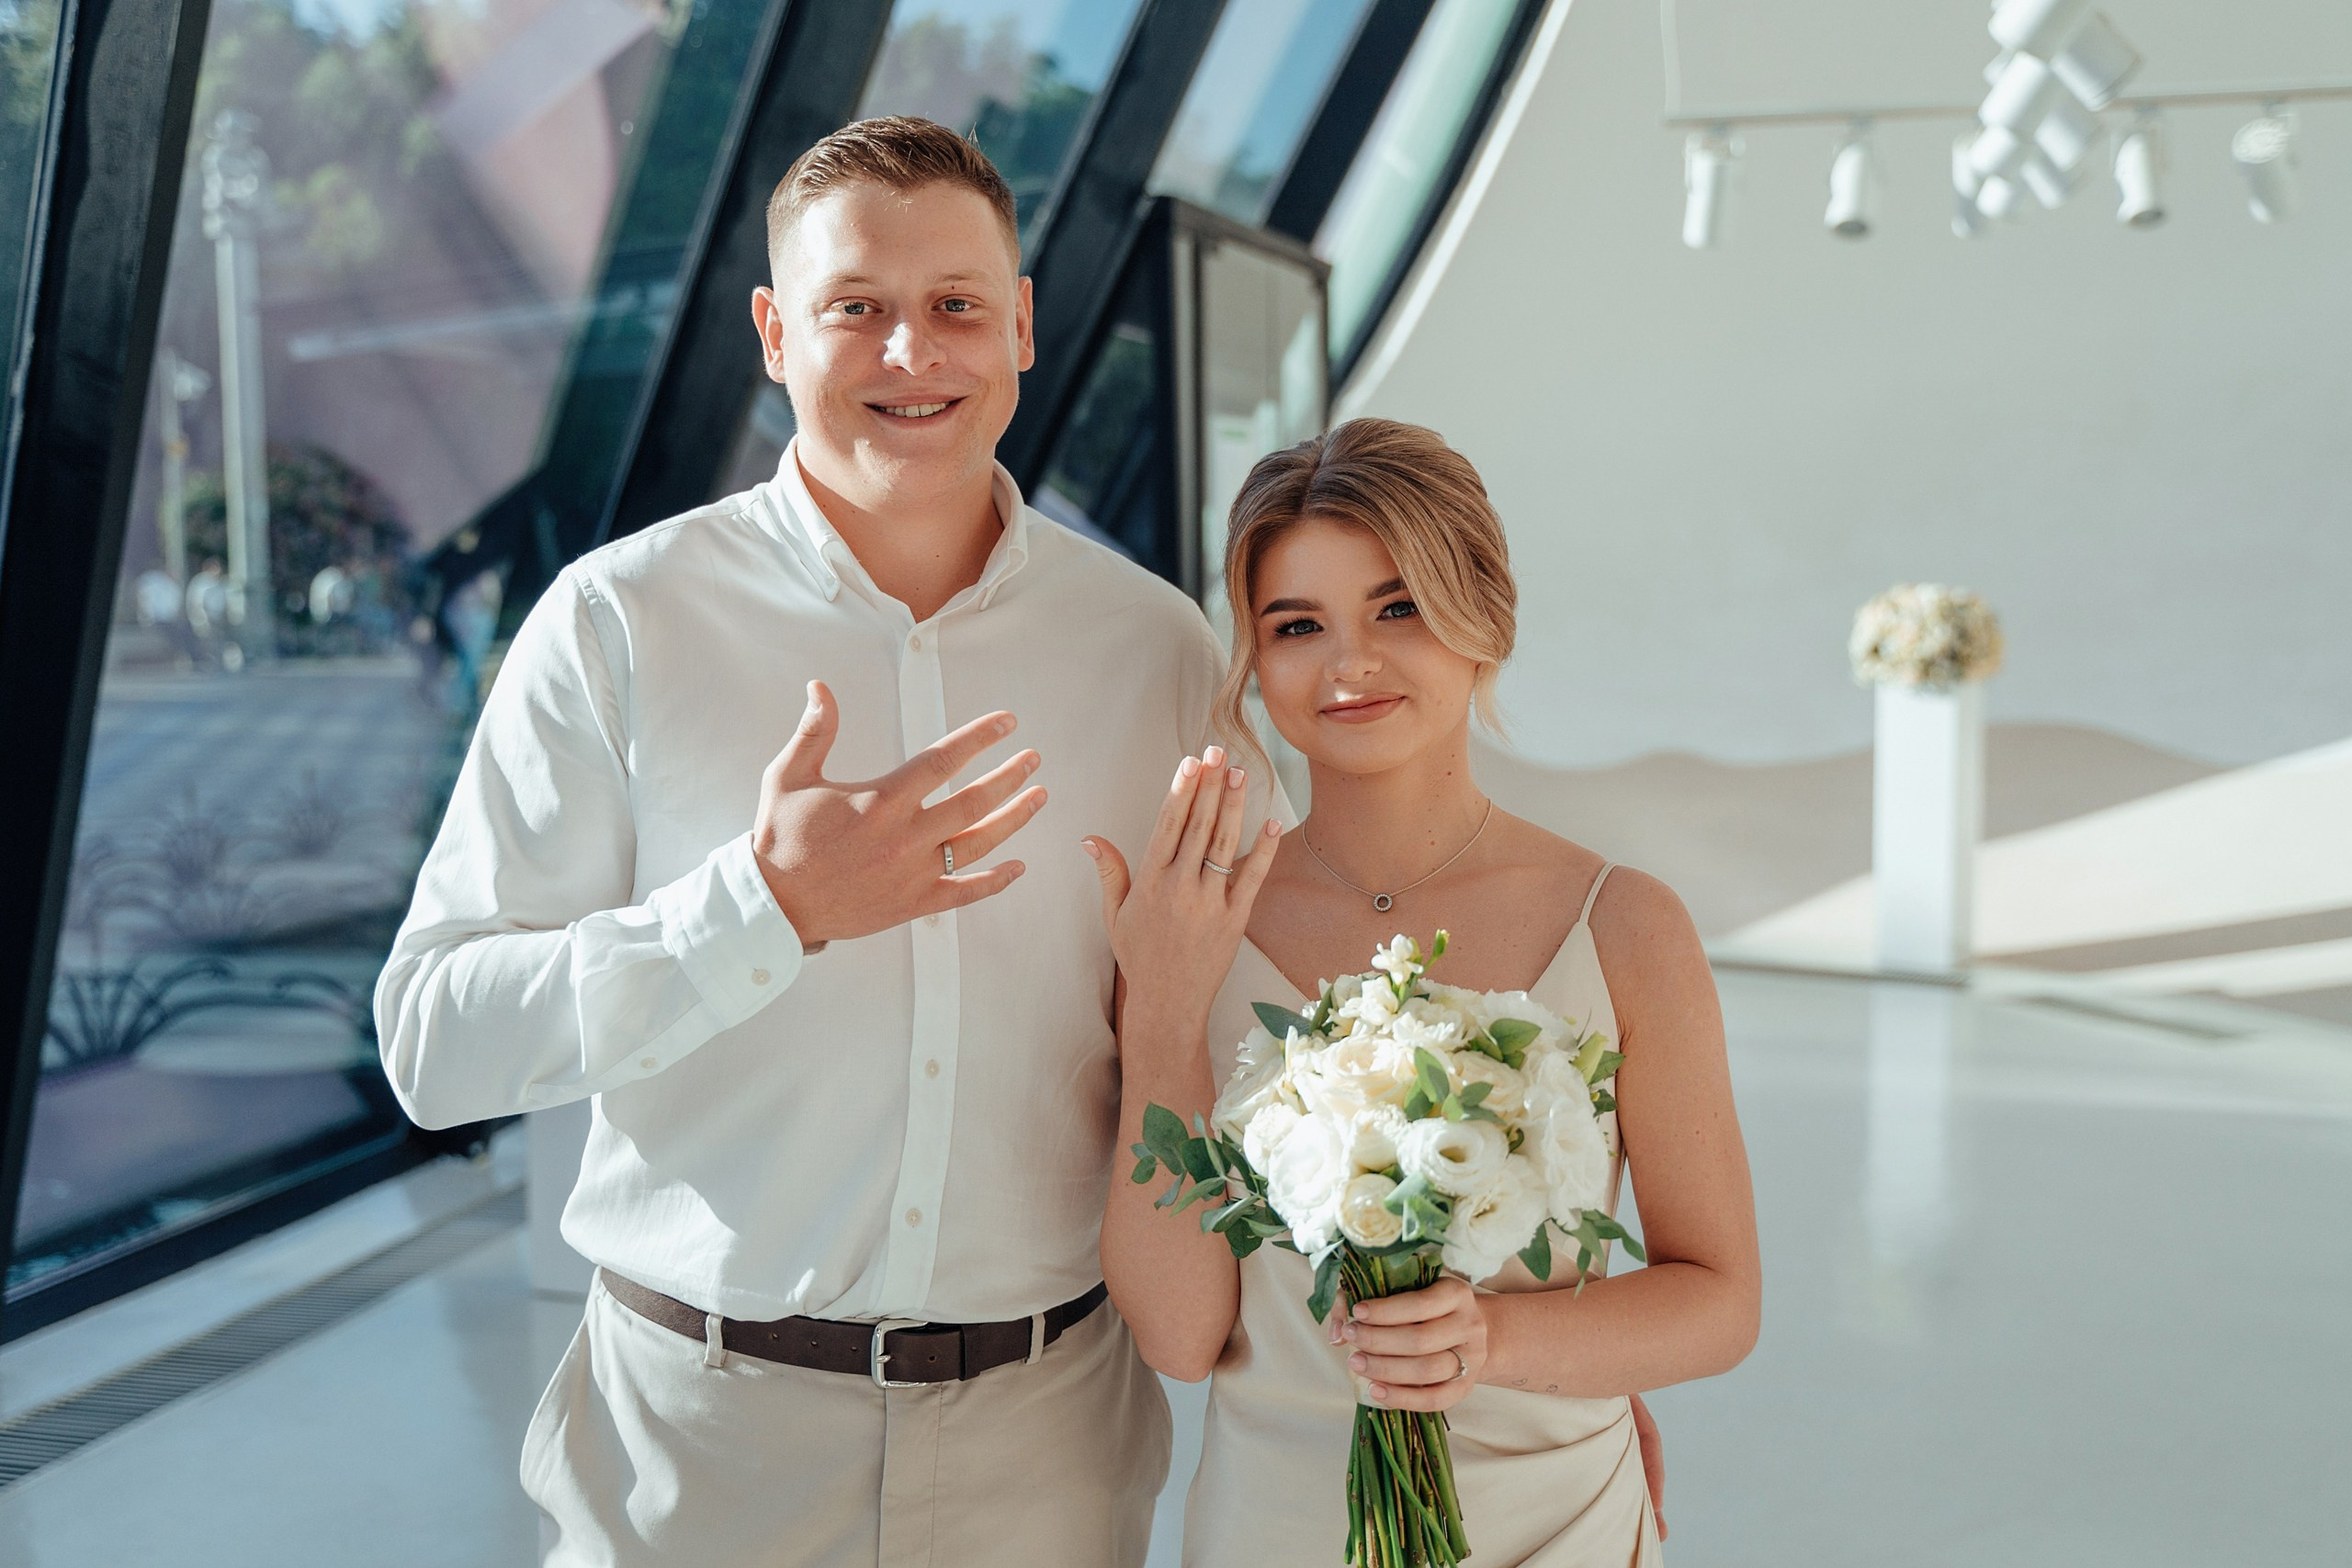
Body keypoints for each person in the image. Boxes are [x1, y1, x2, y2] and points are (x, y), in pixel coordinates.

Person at [374, 118, 1277, 1567]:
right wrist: (764, 906)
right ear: (773, 332)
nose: (911, 352)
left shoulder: (1158, 652)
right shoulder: (619, 622)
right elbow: (430, 1043)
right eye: (857, 306)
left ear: (1025, 328)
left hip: (1049, 1447)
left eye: (956, 306)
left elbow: (1262, 1052)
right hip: (695, 1452)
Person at [1086, 418, 1758, 1564]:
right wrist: (1159, 1016)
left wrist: (1488, 1339)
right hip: (1279, 1528)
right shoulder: (1195, 926)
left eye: (1397, 608)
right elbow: (1180, 1337)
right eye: (1295, 627)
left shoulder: (1626, 926)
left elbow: (1718, 1301)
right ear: (1253, 658)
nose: (1348, 664)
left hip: (1561, 1529)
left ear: (1480, 618)